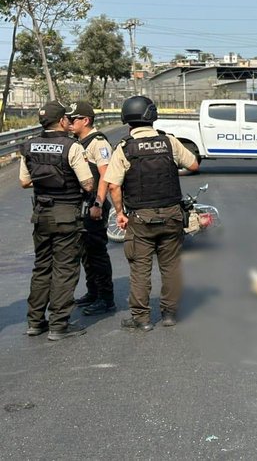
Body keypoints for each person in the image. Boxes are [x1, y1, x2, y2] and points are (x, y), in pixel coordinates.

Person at [104, 96, 199, 331]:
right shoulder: (169, 142)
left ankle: (142, 318)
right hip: (172, 215)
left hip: (140, 218)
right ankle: (169, 314)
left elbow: (114, 186)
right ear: (152, 116)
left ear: (127, 120)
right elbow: (194, 165)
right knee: (171, 266)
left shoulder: (124, 148)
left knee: (139, 269)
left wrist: (120, 213)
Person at [19, 101, 94, 341]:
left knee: (42, 267)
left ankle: (34, 322)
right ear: (62, 121)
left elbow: (23, 181)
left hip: (40, 214)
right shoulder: (71, 147)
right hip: (66, 216)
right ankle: (59, 324)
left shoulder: (28, 146)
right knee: (64, 268)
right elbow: (88, 184)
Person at [69, 101, 116, 316]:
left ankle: (106, 299)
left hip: (94, 204)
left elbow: (106, 175)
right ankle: (93, 291)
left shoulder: (98, 143)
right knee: (86, 253)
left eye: (73, 119)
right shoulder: (79, 142)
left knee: (97, 252)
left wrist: (98, 202)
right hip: (83, 204)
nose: (69, 123)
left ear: (85, 120)